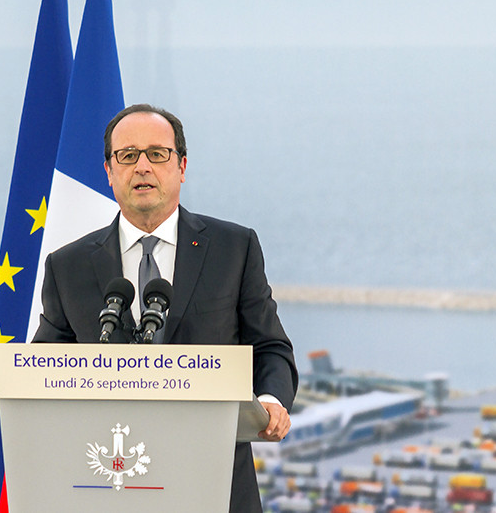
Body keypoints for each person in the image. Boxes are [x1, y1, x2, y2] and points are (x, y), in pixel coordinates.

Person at [32, 103, 298, 512]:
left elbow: (270, 347)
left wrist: (271, 399)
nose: (142, 167)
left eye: (157, 154)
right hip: (107, 484)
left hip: (215, 485)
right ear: (109, 170)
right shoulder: (67, 266)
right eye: (128, 155)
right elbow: (43, 369)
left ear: (182, 166)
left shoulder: (234, 248)